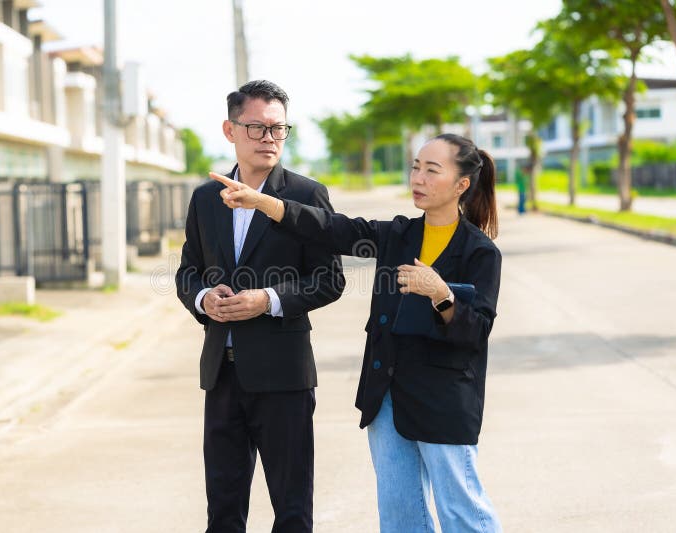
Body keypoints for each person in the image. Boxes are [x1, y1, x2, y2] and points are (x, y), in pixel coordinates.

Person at [211, 133, 503, 533]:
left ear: (461, 184)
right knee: (399, 516)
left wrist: (442, 294)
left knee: (461, 510)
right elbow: (331, 228)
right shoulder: (398, 235)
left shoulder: (480, 251)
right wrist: (262, 202)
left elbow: (477, 330)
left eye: (432, 170)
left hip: (444, 401)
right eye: (416, 167)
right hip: (387, 396)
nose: (418, 178)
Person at [175, 80, 344, 533]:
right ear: (230, 130)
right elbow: (188, 271)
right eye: (257, 128)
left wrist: (267, 300)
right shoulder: (205, 198)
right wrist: (203, 298)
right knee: (223, 513)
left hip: (284, 377)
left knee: (292, 512)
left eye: (278, 128)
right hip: (221, 374)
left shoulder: (306, 196)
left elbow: (330, 280)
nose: (269, 138)